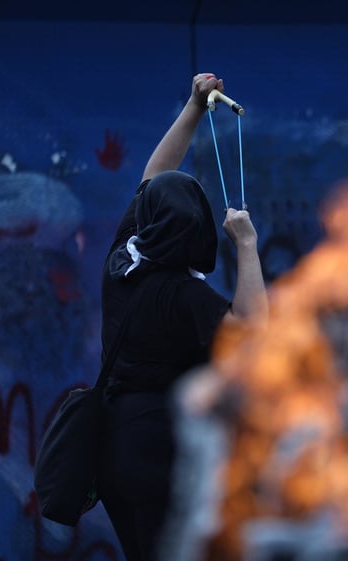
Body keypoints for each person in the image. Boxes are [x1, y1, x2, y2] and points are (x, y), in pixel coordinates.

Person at [97, 72, 267, 561]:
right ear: (200, 234)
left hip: (114, 446)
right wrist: (249, 246)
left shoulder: (122, 262)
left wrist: (194, 107)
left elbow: (152, 178)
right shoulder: (186, 297)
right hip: (162, 452)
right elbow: (254, 332)